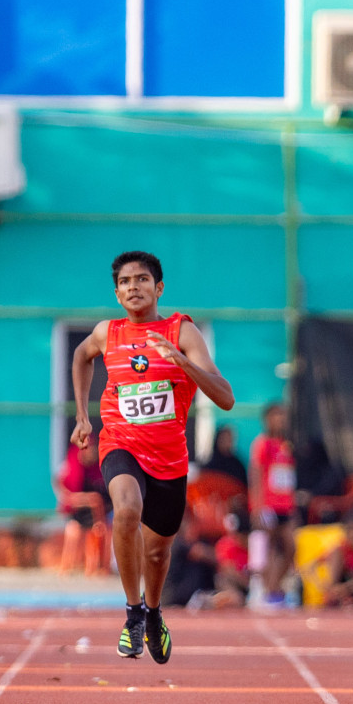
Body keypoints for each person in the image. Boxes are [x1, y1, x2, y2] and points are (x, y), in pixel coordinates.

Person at [71, 250, 235, 664]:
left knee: (159, 552)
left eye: (141, 280)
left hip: (169, 459)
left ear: (158, 288)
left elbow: (225, 397)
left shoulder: (181, 331)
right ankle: (132, 614)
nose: (133, 288)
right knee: (125, 511)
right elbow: (80, 356)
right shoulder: (107, 333)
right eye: (125, 282)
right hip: (120, 444)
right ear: (117, 292)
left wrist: (181, 361)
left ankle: (154, 612)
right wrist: (81, 416)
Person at [248, 402, 298, 608]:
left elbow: (287, 477)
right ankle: (268, 591)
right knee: (269, 548)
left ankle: (275, 587)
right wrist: (258, 506)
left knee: (290, 547)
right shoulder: (262, 443)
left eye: (283, 415)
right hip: (269, 505)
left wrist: (293, 503)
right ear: (268, 419)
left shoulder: (286, 444)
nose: (281, 420)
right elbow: (256, 474)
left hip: (286, 505)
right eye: (277, 415)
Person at [54, 434, 111, 575]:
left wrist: (99, 519)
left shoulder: (96, 469)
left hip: (94, 513)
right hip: (76, 511)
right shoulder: (70, 467)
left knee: (101, 530)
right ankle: (67, 566)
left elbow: (101, 497)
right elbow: (66, 496)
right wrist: (86, 499)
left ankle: (97, 567)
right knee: (75, 530)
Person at [303, 512, 353, 607]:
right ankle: (337, 596)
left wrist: (345, 588)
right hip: (339, 587)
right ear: (346, 534)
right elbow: (310, 566)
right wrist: (322, 585)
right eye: (351, 532)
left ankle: (352, 601)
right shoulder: (340, 549)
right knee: (336, 554)